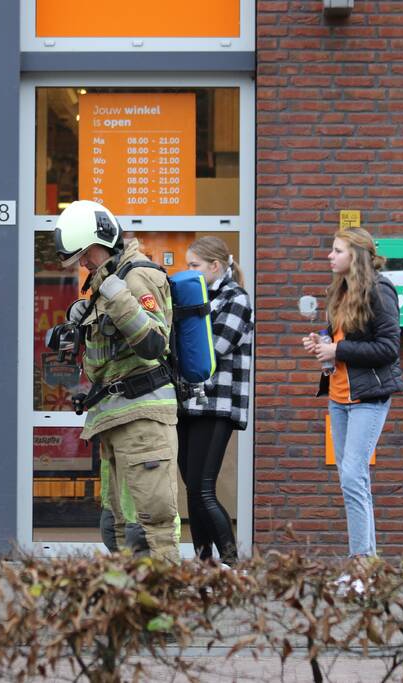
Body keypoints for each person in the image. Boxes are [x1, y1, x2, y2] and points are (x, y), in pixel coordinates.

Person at [52, 200, 180, 564]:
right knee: (118, 528)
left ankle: (163, 604)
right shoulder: (108, 283)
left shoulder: (136, 278)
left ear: (102, 240)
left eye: (84, 254)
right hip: (115, 419)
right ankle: (131, 604)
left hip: (142, 419)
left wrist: (118, 297)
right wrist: (80, 319)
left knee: (150, 527)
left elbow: (155, 343)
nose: (82, 263)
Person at [302, 228, 403, 561]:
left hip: (369, 398)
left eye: (336, 250)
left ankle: (361, 567)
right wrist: (322, 346)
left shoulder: (380, 291)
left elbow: (388, 348)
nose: (329, 256)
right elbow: (339, 339)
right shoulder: (340, 290)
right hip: (339, 396)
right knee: (352, 481)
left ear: (356, 256)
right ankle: (366, 564)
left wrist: (338, 349)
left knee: (352, 477)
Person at [178, 236, 253, 567]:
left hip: (218, 404)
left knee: (204, 488)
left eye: (194, 265)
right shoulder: (200, 298)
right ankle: (204, 562)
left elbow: (214, 348)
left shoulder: (236, 299)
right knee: (193, 489)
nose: (189, 271)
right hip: (189, 403)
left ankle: (232, 563)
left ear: (216, 266)